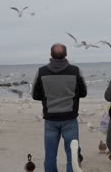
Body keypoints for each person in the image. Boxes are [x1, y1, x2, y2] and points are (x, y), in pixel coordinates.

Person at [32, 43, 87, 172]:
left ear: (51, 55)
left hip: (51, 118)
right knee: (72, 156)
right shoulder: (75, 70)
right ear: (66, 55)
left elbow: (35, 95)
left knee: (50, 156)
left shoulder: (42, 71)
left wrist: (49, 97)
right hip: (69, 118)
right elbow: (83, 93)